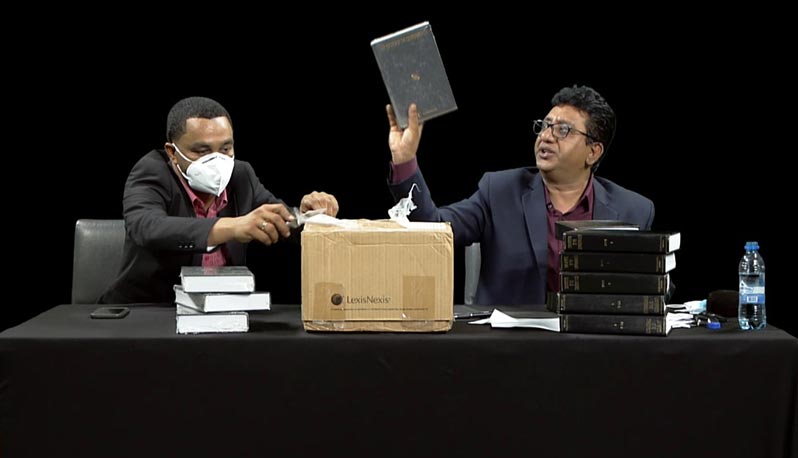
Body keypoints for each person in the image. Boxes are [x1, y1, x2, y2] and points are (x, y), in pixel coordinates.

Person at [385, 85, 654, 305]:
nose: (547, 137)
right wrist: (405, 160)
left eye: (563, 130)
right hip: (511, 354)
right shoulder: (499, 191)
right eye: (545, 126)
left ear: (593, 152)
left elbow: (651, 290)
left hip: (596, 354)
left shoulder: (633, 210)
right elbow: (430, 227)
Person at [100, 96, 339, 304]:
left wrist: (309, 216)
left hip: (221, 312)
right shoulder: (152, 171)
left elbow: (282, 222)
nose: (217, 160)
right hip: (150, 313)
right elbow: (146, 227)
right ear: (172, 152)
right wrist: (232, 227)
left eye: (226, 149)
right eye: (202, 151)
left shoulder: (241, 176)